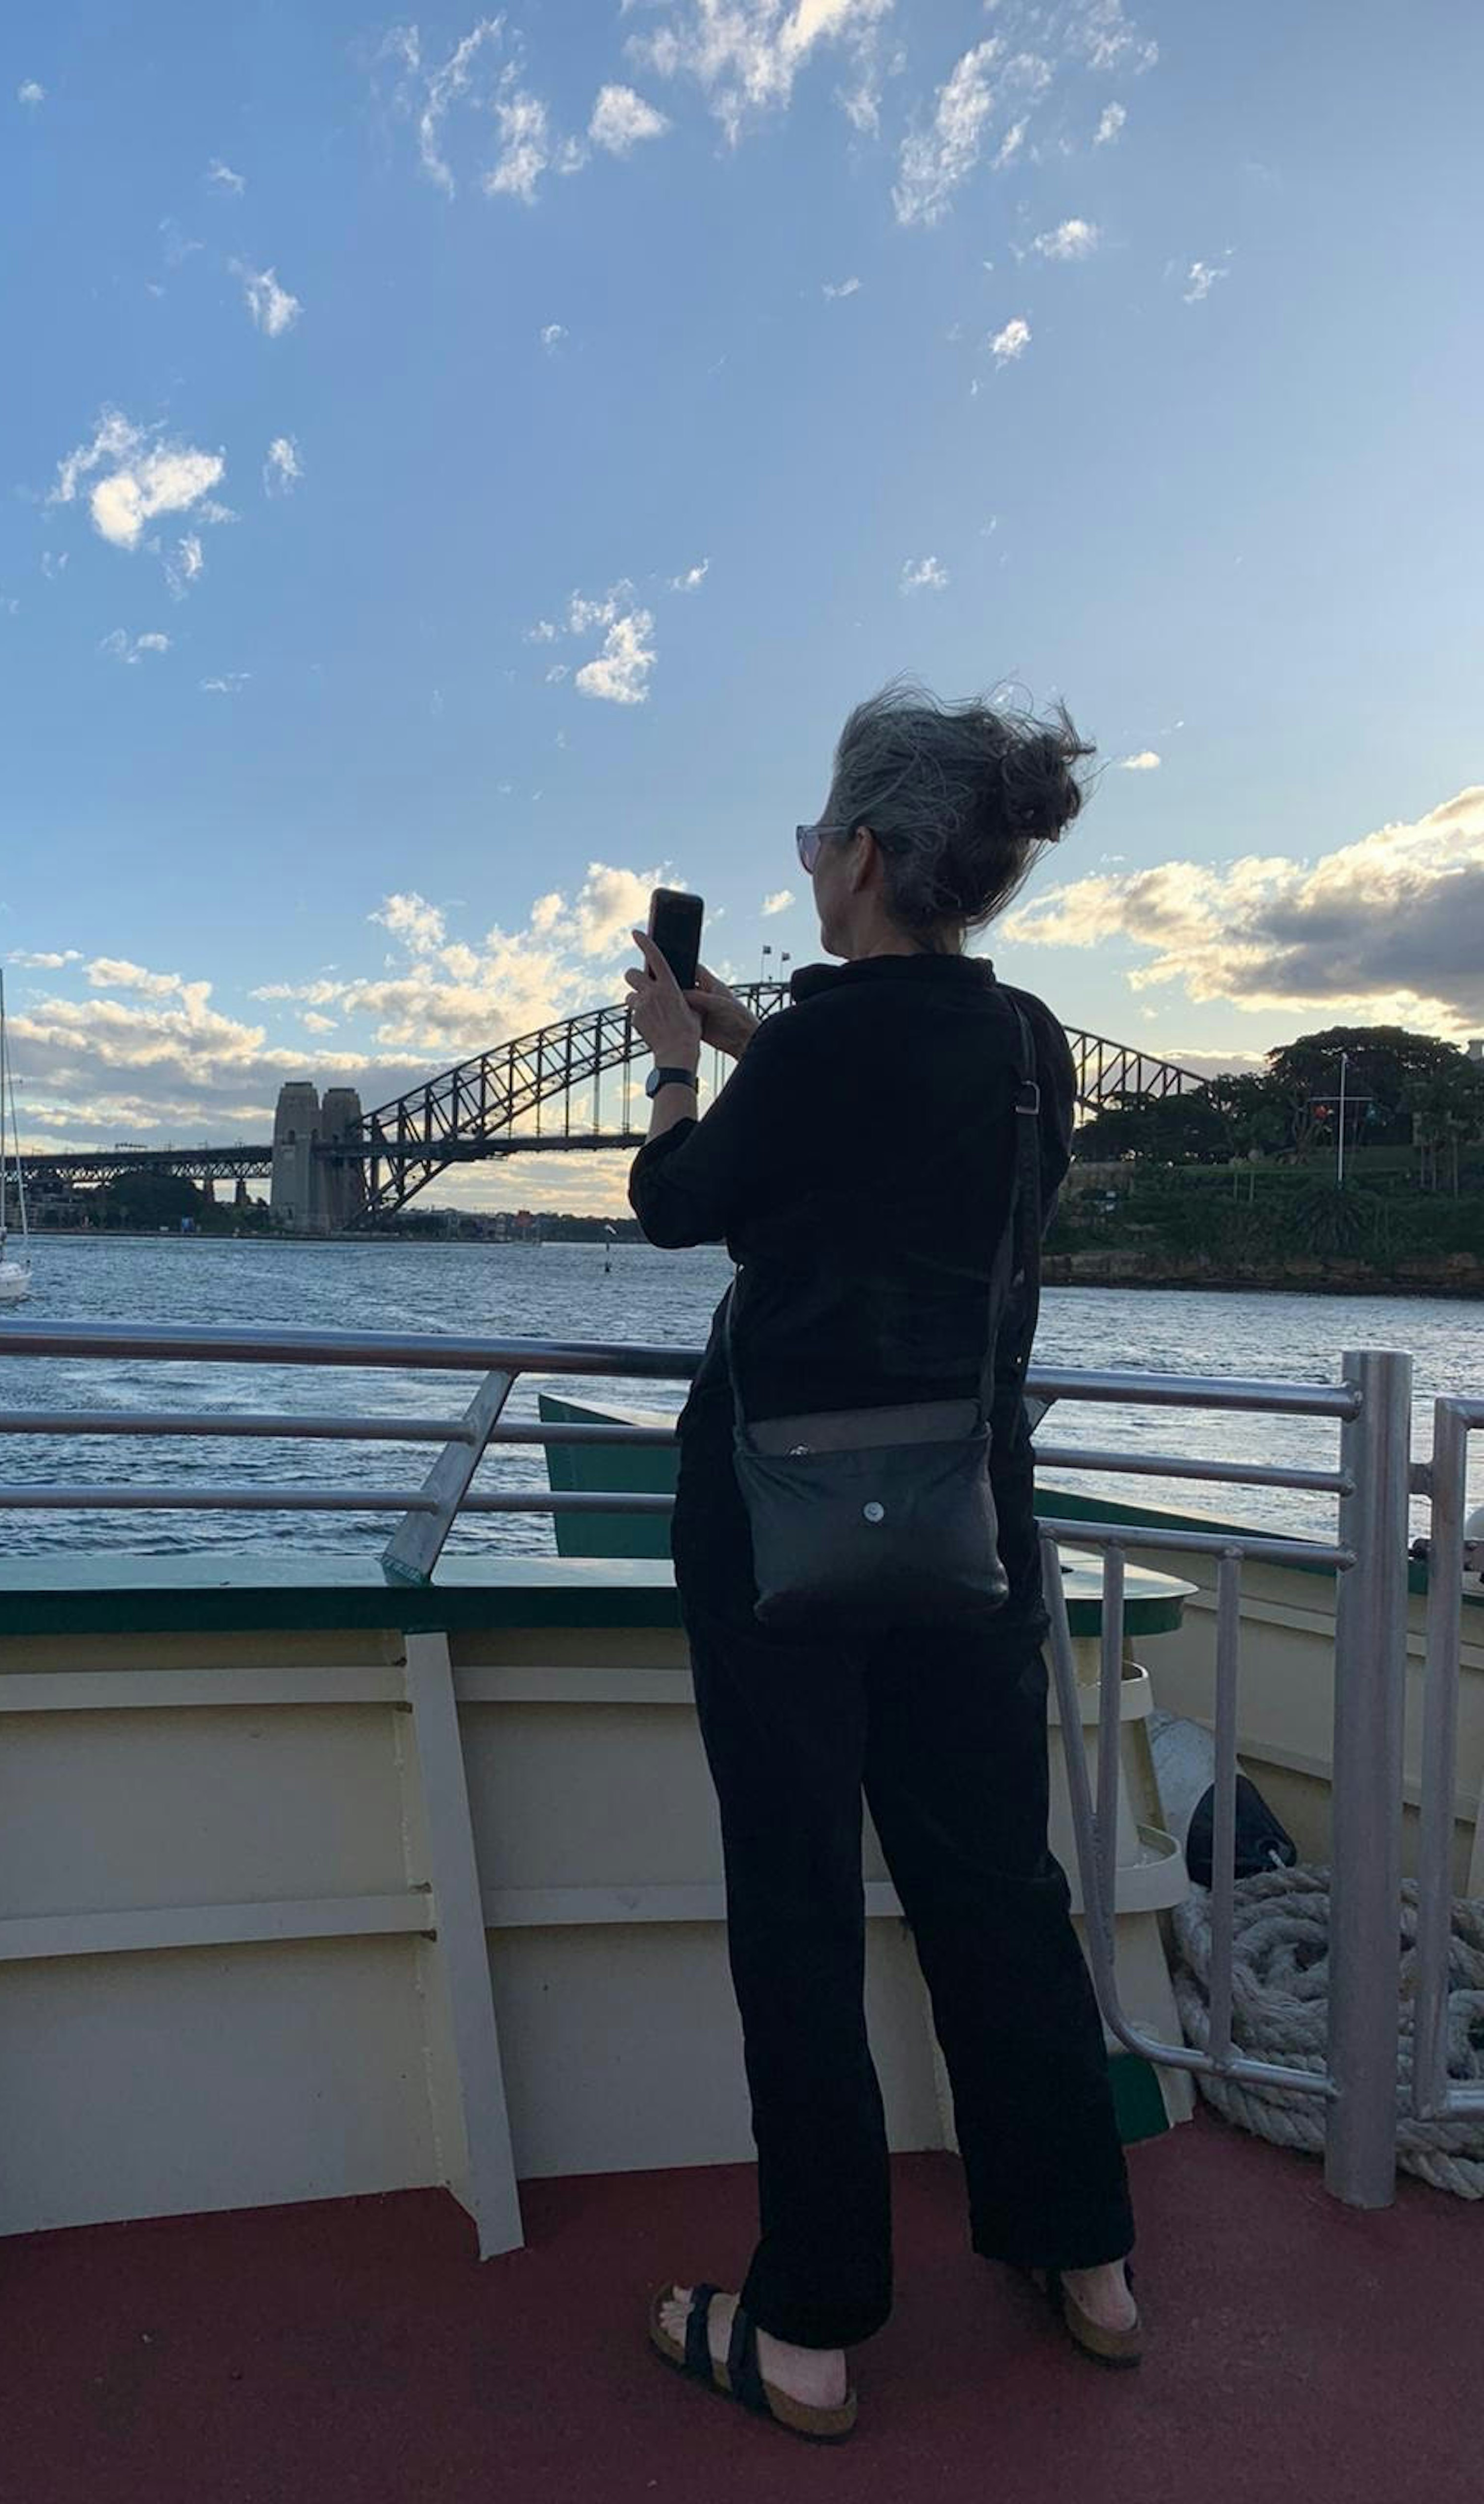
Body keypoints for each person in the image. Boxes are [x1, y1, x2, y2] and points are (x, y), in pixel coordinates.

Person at [625, 682, 1140, 2446]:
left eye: (812, 841)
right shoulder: (1030, 1047)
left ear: (856, 851)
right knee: (996, 1886)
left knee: (797, 1907)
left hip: (779, 1531)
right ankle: (1087, 2260)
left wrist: (684, 1056)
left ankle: (810, 2329)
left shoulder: (830, 1043)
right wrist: (767, 1033)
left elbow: (680, 1199)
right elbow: (891, 1127)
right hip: (970, 1523)